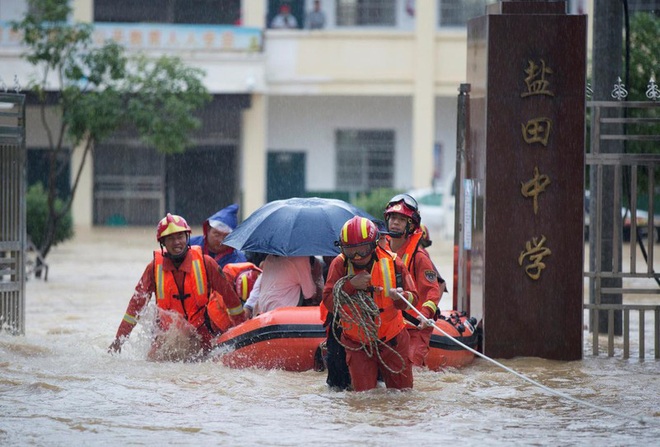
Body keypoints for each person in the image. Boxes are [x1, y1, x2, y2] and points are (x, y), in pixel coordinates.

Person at [108, 213, 246, 361]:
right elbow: (134, 308)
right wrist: (119, 340)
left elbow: (231, 299)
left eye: (180, 236)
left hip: (202, 336)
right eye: (171, 238)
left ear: (187, 237)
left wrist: (241, 331)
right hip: (166, 337)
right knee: (154, 359)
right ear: (163, 243)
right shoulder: (153, 268)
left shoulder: (207, 264)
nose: (177, 242)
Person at [322, 216, 418, 392]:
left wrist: (401, 298)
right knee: (364, 399)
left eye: (363, 250)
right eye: (352, 251)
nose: (357, 256)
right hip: (357, 343)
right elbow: (329, 301)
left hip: (393, 340)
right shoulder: (340, 264)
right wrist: (351, 285)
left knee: (403, 396)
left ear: (374, 245)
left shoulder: (394, 263)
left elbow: (414, 299)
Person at [383, 194, 445, 368]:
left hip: (415, 327)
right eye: (393, 217)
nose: (395, 222)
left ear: (410, 225)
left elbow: (432, 293)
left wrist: (424, 316)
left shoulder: (419, 257)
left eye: (401, 220)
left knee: (410, 369)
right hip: (389, 325)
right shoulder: (380, 251)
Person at [243, 255, 322, 317]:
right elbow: (310, 294)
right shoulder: (301, 259)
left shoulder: (269, 258)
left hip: (262, 313)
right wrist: (316, 277)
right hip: (284, 316)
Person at [189, 204, 247, 269]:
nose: (220, 240)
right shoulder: (189, 245)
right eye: (216, 234)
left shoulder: (239, 260)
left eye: (226, 237)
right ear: (208, 230)